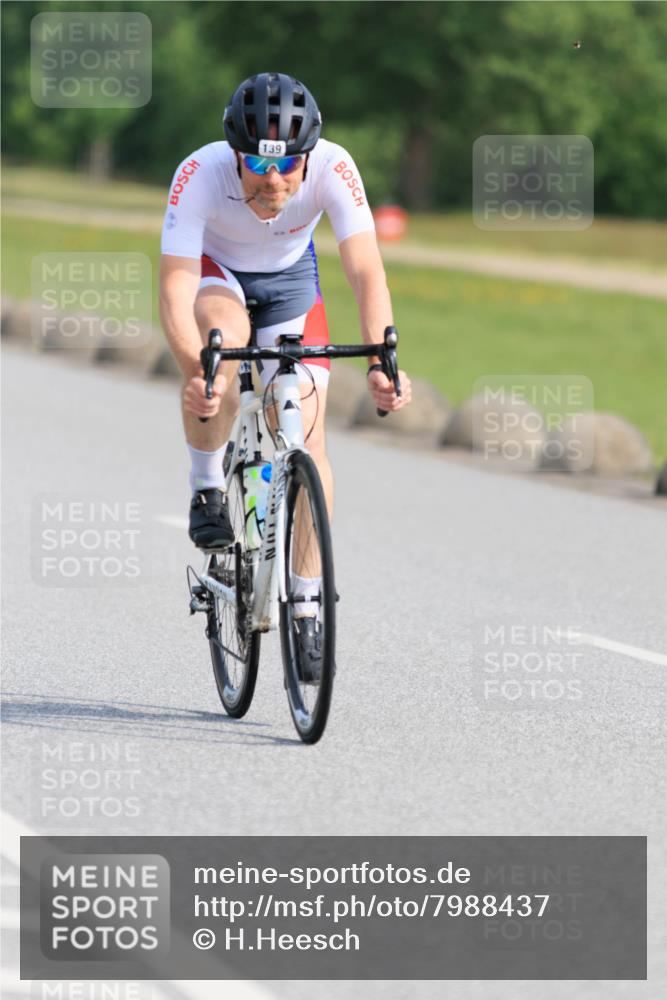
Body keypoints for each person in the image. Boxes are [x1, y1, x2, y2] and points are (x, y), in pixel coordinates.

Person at [159, 71, 411, 676]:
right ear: (235, 154)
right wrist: (196, 370)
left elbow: (366, 271)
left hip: (292, 282)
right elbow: (174, 286)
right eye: (256, 164)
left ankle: (306, 603)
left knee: (307, 437)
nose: (272, 180)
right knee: (224, 346)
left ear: (308, 156)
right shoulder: (200, 172)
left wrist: (381, 362)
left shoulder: (335, 166)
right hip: (218, 273)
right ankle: (208, 486)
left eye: (287, 165)